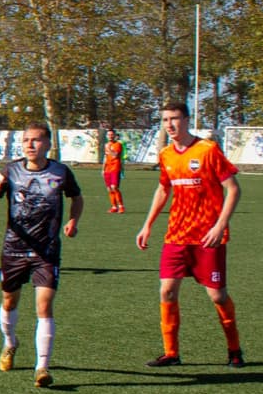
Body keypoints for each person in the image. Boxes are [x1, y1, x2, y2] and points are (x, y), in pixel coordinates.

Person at [135, 101, 243, 368]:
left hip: (208, 237)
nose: (170, 125)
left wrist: (219, 226)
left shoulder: (208, 150)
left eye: (174, 118)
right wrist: (147, 224)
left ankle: (234, 349)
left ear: (187, 119)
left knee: (217, 296)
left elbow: (233, 189)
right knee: (167, 291)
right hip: (176, 236)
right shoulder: (166, 155)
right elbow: (163, 190)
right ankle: (171, 353)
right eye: (164, 120)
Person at [0, 122, 82, 388]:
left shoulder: (60, 172)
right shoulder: (10, 171)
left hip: (46, 251)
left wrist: (73, 220)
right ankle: (10, 342)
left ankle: (42, 367)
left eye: (36, 140)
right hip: (13, 249)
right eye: (26, 140)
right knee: (9, 301)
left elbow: (76, 197)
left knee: (44, 306)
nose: (30, 145)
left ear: (47, 144)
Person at [102, 126, 126, 213]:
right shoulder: (106, 145)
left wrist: (108, 148)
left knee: (114, 187)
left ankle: (121, 206)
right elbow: (106, 157)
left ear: (115, 135)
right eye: (109, 135)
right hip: (107, 169)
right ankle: (114, 206)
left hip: (115, 168)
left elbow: (115, 155)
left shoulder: (118, 144)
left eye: (112, 134)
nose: (110, 136)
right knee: (109, 189)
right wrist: (103, 169)